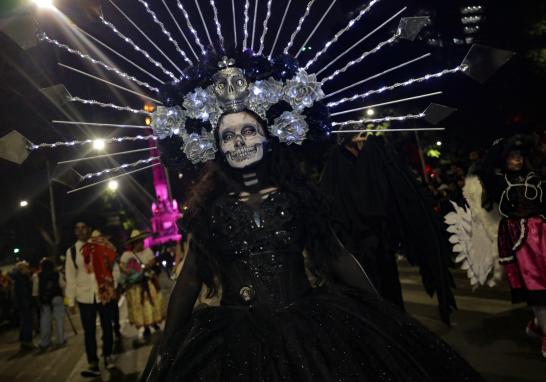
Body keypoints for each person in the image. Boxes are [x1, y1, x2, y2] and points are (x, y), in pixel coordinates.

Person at [140, 50, 483, 381]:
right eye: (227, 136)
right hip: (231, 339)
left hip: (309, 327)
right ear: (218, 148)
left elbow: (338, 257)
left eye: (248, 130)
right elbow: (189, 282)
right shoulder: (210, 212)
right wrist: (167, 345)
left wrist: (385, 317)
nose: (239, 142)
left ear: (268, 137)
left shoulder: (296, 197)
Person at [478, 134, 546, 358]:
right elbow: (484, 169)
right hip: (521, 239)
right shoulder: (498, 181)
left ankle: (538, 324)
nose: (516, 160)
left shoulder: (535, 176)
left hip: (542, 233)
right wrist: (496, 146)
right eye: (511, 156)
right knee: (537, 289)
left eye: (520, 156)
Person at [65, 221, 116, 377]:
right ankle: (93, 361)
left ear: (89, 229)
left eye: (84, 228)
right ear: (75, 232)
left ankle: (107, 355)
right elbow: (70, 277)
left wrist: (114, 285)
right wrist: (71, 300)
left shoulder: (99, 245)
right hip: (84, 296)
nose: (81, 231)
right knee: (89, 331)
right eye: (77, 228)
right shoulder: (72, 251)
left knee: (107, 326)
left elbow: (111, 264)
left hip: (103, 293)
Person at [119, 230, 163, 339]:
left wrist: (146, 266)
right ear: (134, 243)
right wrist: (130, 271)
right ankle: (146, 327)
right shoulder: (127, 255)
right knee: (140, 306)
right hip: (136, 286)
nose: (142, 243)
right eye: (139, 242)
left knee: (150, 304)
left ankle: (153, 322)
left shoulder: (148, 251)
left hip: (148, 282)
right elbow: (122, 266)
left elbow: (152, 262)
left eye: (142, 241)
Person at [37, 257, 66, 350]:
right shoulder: (57, 274)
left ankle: (45, 342)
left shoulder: (38, 276)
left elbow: (35, 291)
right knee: (59, 319)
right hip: (57, 297)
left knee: (45, 322)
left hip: (45, 301)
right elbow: (62, 285)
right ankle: (60, 339)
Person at [9, 261, 34, 350]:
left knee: (24, 322)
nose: (28, 269)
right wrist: (27, 302)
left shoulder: (17, 278)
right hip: (25, 303)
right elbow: (24, 291)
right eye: (27, 267)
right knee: (27, 322)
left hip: (21, 303)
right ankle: (27, 341)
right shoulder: (22, 278)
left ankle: (24, 341)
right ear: (22, 268)